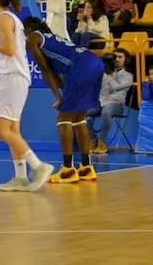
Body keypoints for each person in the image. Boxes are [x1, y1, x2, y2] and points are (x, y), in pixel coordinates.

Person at [0, 0, 54, 192]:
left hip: (13, 78)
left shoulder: (4, 19)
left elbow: (9, 50)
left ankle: (38, 166)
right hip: (11, 76)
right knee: (12, 130)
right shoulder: (12, 18)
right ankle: (20, 177)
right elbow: (14, 52)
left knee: (0, 130)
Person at [24, 17, 102, 184]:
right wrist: (62, 97)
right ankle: (86, 167)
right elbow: (56, 74)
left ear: (28, 28)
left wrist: (59, 98)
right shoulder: (51, 38)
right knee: (79, 118)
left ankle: (67, 169)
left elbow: (45, 71)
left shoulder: (32, 38)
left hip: (81, 67)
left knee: (63, 119)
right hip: (94, 62)